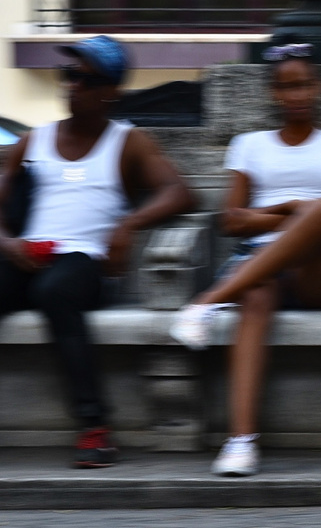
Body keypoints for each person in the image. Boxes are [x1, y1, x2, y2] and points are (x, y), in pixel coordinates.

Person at [169, 42, 321, 478]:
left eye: (303, 85)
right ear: (272, 93)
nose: (295, 95)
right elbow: (230, 221)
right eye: (285, 87)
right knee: (257, 292)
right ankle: (241, 442)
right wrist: (295, 209)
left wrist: (286, 211)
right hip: (260, 264)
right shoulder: (249, 146)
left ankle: (205, 302)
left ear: (320, 87)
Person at [0, 36, 194, 467]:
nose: (72, 85)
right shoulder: (34, 140)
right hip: (27, 254)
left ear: (111, 92)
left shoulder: (128, 143)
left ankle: (95, 428)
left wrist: (129, 223)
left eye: (85, 79)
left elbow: (180, 192)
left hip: (84, 264)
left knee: (54, 291)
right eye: (68, 75)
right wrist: (8, 243)